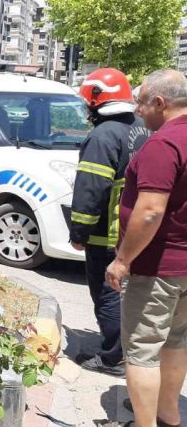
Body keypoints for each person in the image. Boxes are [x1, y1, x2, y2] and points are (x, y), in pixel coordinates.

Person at [105, 69, 187, 427]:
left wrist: (122, 260)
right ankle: (168, 416)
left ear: (160, 102)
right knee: (176, 341)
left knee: (142, 350)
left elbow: (151, 211)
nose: (137, 110)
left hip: (158, 267)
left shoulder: (164, 143)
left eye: (140, 102)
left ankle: (145, 424)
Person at [68, 68, 150, 377]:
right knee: (129, 297)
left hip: (107, 235)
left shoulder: (102, 136)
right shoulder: (142, 128)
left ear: (95, 101)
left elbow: (91, 190)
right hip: (137, 232)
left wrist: (79, 233)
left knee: (107, 294)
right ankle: (124, 348)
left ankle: (113, 355)